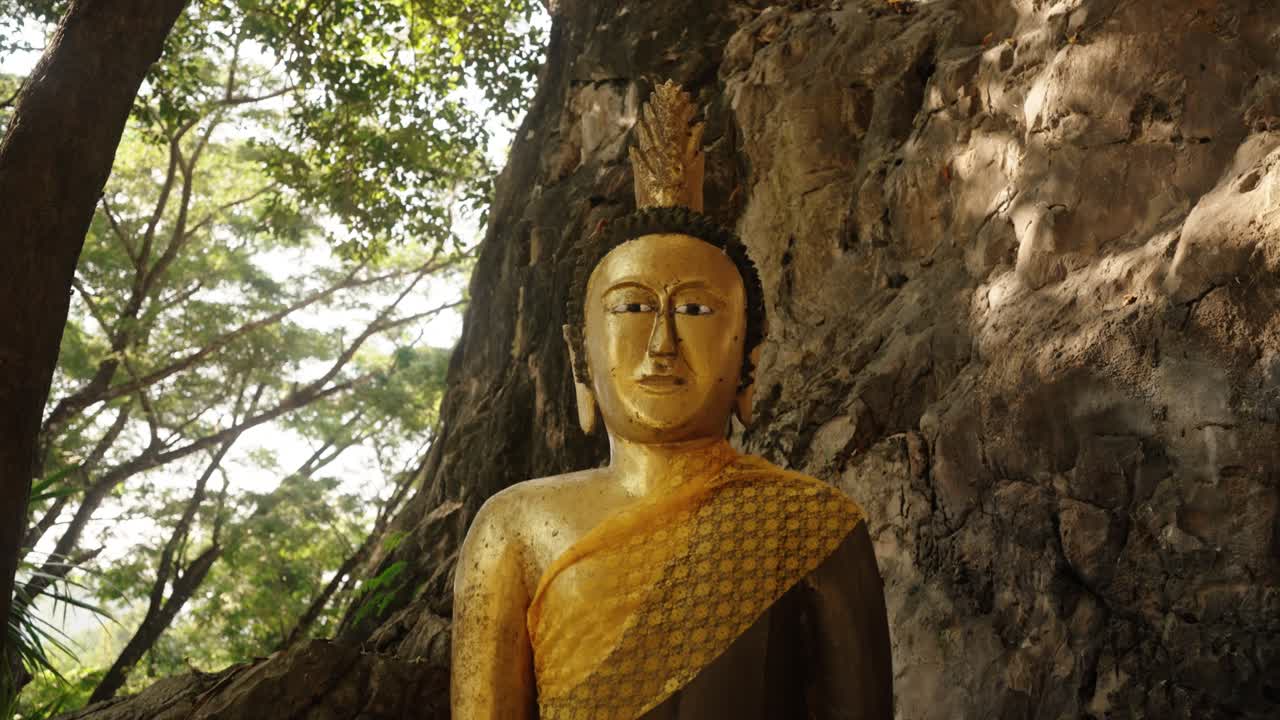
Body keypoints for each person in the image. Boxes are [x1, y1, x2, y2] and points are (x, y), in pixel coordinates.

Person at [451, 81, 892, 720]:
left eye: (694, 308)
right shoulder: (513, 529)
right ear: (581, 359)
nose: (662, 343)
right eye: (631, 307)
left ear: (750, 362)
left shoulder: (812, 525)